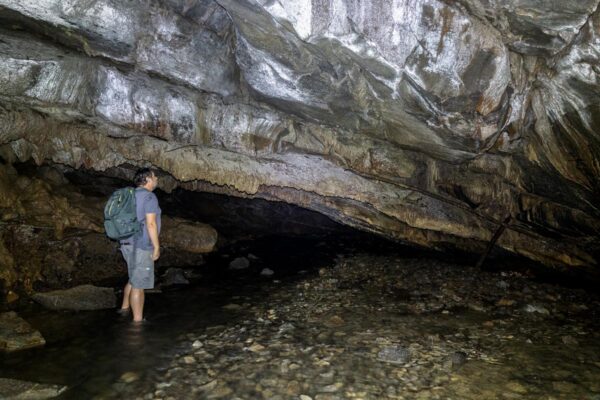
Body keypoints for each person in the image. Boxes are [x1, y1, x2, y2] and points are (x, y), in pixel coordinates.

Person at [118, 168, 161, 322]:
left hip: (126, 242)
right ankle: (137, 323)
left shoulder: (129, 196)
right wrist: (156, 246)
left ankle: (124, 307)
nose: (157, 179)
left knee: (133, 276)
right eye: (155, 176)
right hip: (142, 244)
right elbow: (151, 224)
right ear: (148, 179)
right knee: (139, 284)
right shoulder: (149, 197)